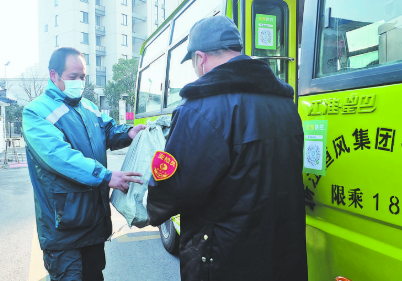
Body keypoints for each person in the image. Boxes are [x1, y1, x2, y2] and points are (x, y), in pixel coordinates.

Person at [146, 16, 308, 281]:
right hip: (280, 253)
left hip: (224, 258)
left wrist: (149, 203)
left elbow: (177, 189)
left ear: (200, 58)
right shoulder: (286, 105)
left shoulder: (199, 110)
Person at [22, 47, 145, 280]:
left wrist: (128, 133)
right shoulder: (35, 113)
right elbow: (61, 157)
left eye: (83, 77)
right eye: (72, 77)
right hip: (63, 230)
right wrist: (107, 176)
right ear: (54, 75)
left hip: (93, 224)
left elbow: (107, 130)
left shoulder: (88, 107)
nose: (79, 82)